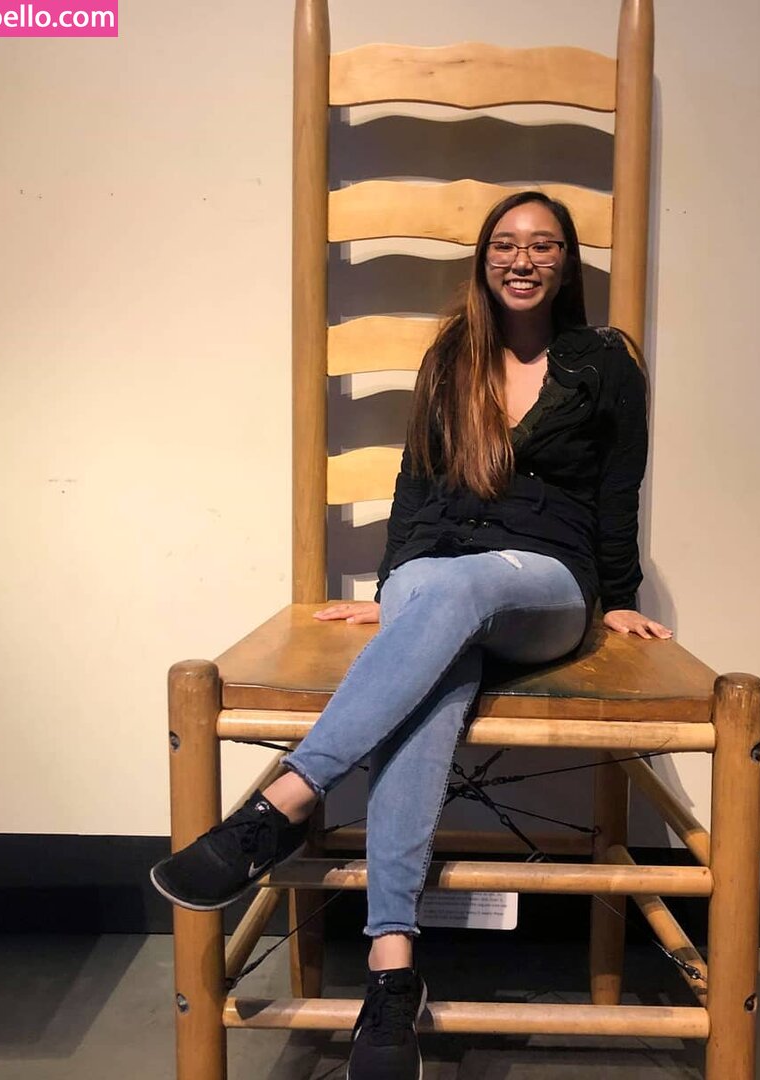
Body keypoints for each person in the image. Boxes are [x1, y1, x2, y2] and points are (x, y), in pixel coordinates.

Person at [151, 190, 671, 1080]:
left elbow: (619, 488)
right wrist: (396, 596)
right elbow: (415, 485)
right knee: (433, 677)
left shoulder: (604, 363)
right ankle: (392, 972)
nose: (522, 258)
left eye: (544, 244)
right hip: (440, 585)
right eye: (506, 243)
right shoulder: (451, 357)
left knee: (458, 583)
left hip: (546, 587)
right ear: (483, 257)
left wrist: (618, 594)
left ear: (566, 263)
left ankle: (284, 802)